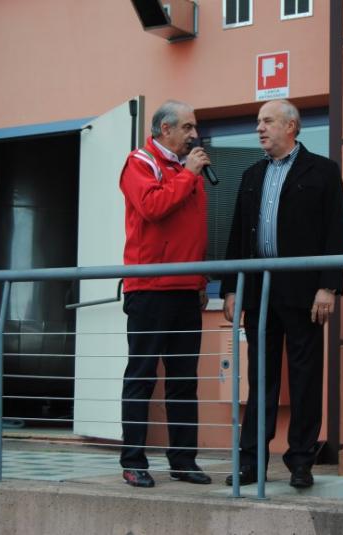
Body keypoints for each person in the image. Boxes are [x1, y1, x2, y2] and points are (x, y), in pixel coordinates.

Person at [221, 99, 343, 488]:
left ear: (291, 126)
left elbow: (336, 231)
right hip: (259, 290)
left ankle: (300, 462)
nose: (259, 128)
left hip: (304, 290)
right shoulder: (251, 174)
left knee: (305, 377)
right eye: (258, 122)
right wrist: (230, 288)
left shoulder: (323, 171)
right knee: (260, 378)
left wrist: (328, 286)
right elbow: (237, 236)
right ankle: (251, 463)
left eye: (268, 121)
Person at [118, 100, 213, 488]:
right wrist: (188, 174)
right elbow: (152, 207)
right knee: (141, 376)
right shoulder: (139, 162)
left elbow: (194, 231)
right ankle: (133, 461)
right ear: (165, 129)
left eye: (195, 127)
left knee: (184, 380)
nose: (195, 135)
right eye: (187, 127)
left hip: (186, 290)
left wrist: (201, 280)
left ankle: (183, 461)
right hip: (150, 289)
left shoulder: (187, 170)